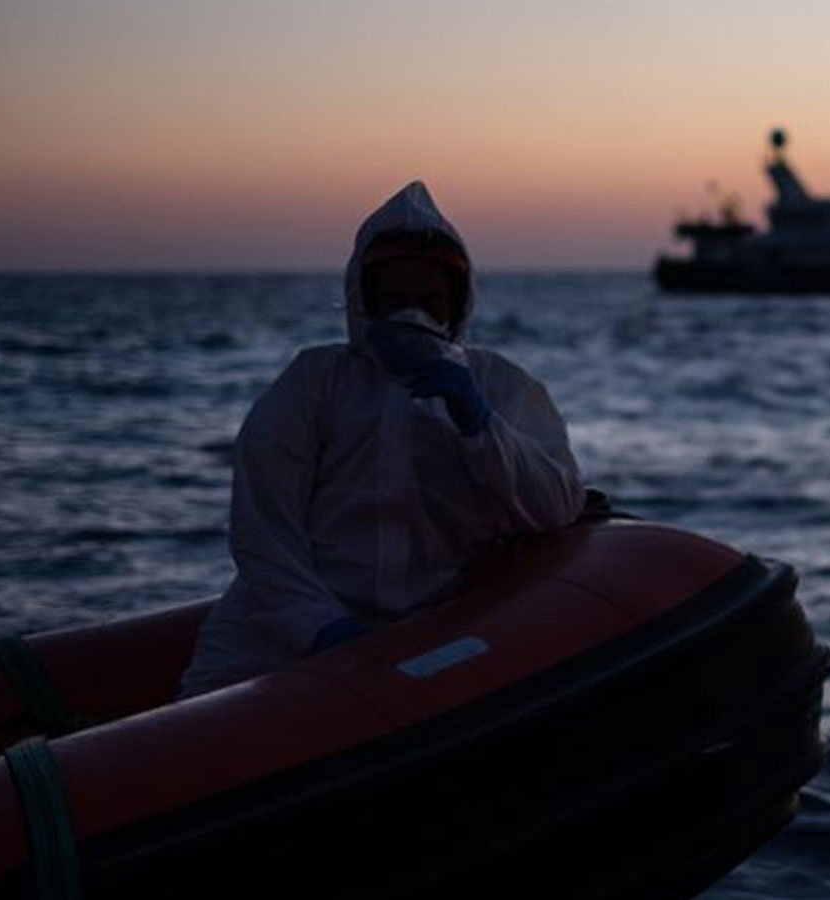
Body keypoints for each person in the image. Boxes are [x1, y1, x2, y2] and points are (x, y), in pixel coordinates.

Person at [179, 181, 586, 697]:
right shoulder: (314, 382)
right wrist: (321, 627)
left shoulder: (501, 387)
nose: (411, 315)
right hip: (279, 629)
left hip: (428, 632)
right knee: (202, 729)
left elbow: (556, 506)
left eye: (427, 301)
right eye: (395, 301)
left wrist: (480, 426)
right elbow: (262, 531)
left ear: (455, 305)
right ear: (364, 300)